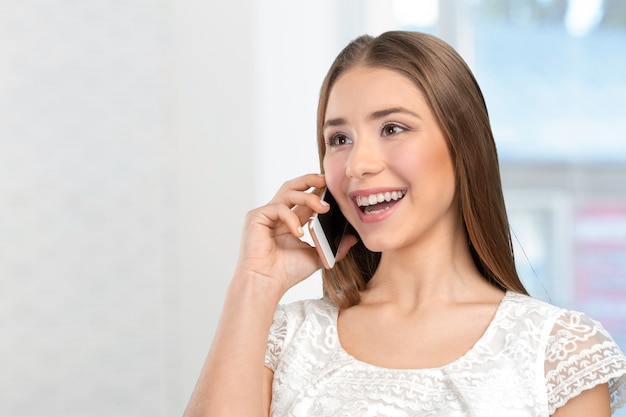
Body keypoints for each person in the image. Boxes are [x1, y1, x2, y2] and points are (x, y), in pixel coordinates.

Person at [182, 31, 626, 416]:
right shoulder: (280, 338)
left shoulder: (560, 350)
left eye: (392, 129)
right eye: (339, 139)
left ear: (463, 144)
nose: (357, 164)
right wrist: (256, 283)